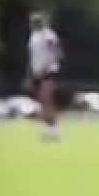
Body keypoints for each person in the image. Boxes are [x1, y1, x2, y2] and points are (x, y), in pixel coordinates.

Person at [27, 12, 63, 141]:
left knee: (47, 99)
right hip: (37, 73)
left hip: (48, 71)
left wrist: (48, 66)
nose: (35, 24)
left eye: (37, 21)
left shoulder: (48, 35)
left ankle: (55, 131)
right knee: (43, 102)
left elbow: (56, 52)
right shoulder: (33, 36)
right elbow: (33, 57)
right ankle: (50, 130)